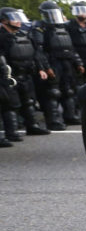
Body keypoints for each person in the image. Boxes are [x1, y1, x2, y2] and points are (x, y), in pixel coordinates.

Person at [31, 0, 85, 127]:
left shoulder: (63, 28)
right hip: (53, 62)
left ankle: (70, 116)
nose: (54, 16)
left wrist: (78, 63)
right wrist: (46, 67)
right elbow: (39, 51)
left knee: (69, 91)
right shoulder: (40, 28)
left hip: (67, 63)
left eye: (55, 13)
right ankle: (53, 120)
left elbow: (71, 48)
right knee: (53, 92)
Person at [0, 7, 52, 136]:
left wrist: (40, 68)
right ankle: (11, 132)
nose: (18, 21)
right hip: (9, 76)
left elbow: (35, 54)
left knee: (29, 102)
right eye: (14, 18)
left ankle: (32, 126)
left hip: (26, 74)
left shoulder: (24, 34)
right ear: (4, 20)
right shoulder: (2, 37)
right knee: (10, 105)